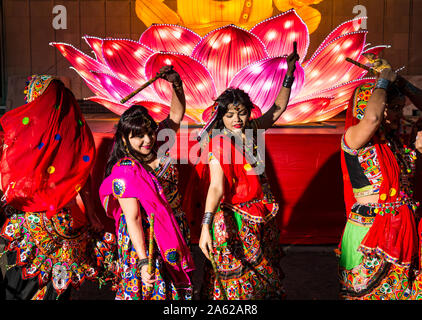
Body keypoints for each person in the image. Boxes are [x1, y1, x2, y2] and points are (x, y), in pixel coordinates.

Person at [193, 45, 300, 300]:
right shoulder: (219, 143)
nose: (236, 119)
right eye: (230, 115)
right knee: (238, 284)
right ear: (221, 117)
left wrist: (289, 74)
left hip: (259, 213)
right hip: (234, 218)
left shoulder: (251, 131)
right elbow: (216, 187)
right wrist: (205, 226)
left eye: (241, 112)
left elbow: (277, 109)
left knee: (260, 280)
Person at [0, 75, 116, 300]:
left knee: (21, 282)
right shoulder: (73, 129)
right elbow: (84, 176)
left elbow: (8, 173)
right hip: (65, 221)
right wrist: (91, 214)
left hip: (28, 220)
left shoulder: (24, 131)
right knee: (56, 284)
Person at [337, 64, 422, 300]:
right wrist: (383, 81)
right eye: (392, 108)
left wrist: (401, 82)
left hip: (402, 231)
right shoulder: (354, 138)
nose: (398, 114)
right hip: (368, 232)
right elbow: (372, 119)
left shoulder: (399, 141)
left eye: (399, 108)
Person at [99, 103, 195, 300]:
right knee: (152, 291)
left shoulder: (156, 148)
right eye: (139, 136)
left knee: (173, 291)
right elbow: (132, 218)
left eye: (150, 132)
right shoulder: (125, 170)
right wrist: (143, 261)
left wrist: (176, 84)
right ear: (125, 139)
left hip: (172, 228)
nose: (147, 139)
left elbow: (176, 114)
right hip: (146, 239)